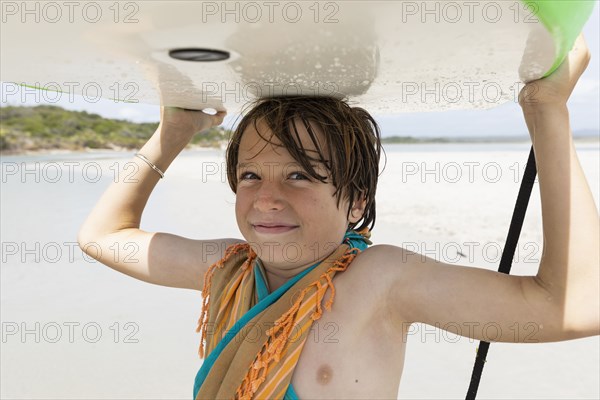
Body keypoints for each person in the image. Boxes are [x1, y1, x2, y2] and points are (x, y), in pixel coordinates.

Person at [78, 35, 599, 399]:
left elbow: (577, 306)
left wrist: (546, 108)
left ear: (357, 203)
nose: (266, 199)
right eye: (251, 176)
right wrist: (172, 137)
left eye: (300, 176)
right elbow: (101, 236)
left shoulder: (381, 281)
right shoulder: (226, 267)